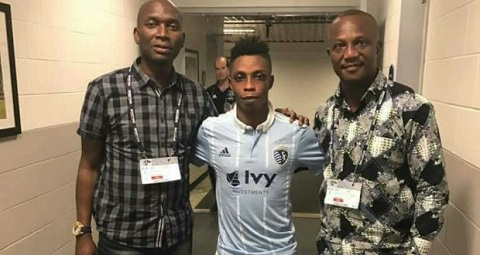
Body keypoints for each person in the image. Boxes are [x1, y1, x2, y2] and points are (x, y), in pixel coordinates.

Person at [74, 1, 217, 254]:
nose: (162, 33)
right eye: (152, 24)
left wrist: (275, 114)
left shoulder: (196, 95)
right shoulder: (104, 90)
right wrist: (83, 232)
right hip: (122, 239)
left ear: (182, 39)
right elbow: (89, 166)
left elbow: (229, 135)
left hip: (178, 237)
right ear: (137, 34)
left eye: (172, 26)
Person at [314, 9, 449, 254]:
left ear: (377, 47)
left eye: (360, 42)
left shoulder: (411, 108)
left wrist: (416, 251)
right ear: (330, 54)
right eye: (340, 46)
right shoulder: (325, 113)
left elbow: (432, 190)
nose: (350, 54)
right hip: (332, 249)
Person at [193, 36, 325, 255]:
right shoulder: (211, 131)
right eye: (240, 77)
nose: (249, 86)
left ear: (270, 81)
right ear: (231, 82)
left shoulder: (297, 133)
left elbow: (334, 169)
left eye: (258, 76)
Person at [205, 56, 235, 212]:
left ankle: (231, 201)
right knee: (214, 171)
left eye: (223, 68)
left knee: (231, 172)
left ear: (229, 69)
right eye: (217, 69)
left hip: (232, 139)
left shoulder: (236, 90)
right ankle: (218, 201)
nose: (220, 72)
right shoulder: (209, 92)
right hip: (214, 140)